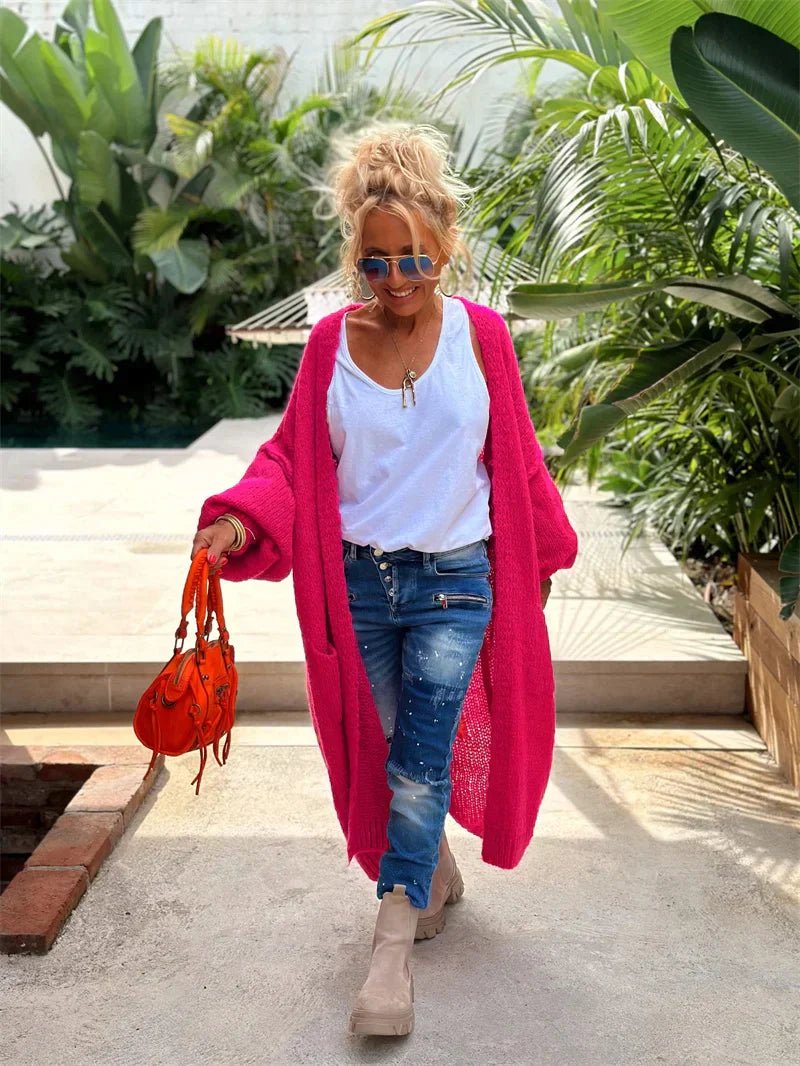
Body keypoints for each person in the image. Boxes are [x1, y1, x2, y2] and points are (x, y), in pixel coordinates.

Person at [191, 123, 578, 1038]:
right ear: (355, 258)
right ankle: (430, 870)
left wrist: (542, 555)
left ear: (445, 246)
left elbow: (516, 460)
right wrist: (241, 518)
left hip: (456, 583)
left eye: (415, 259)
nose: (397, 279)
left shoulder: (484, 339)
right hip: (360, 588)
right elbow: (293, 459)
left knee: (417, 763)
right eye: (376, 262)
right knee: (394, 749)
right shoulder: (330, 344)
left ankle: (390, 949)